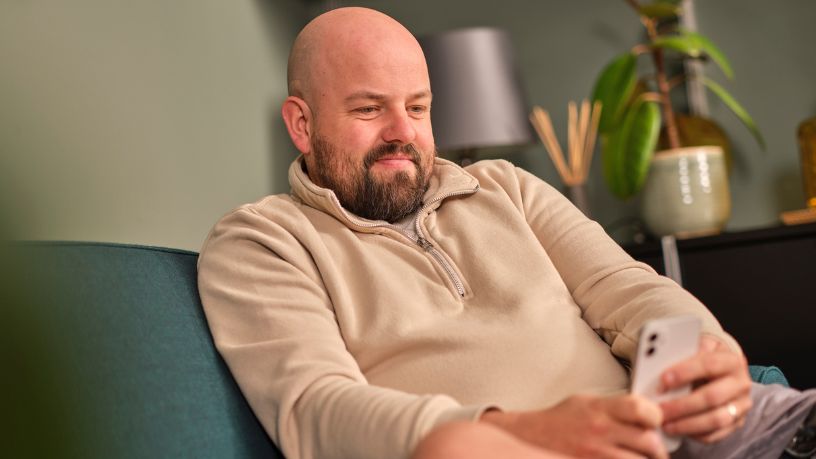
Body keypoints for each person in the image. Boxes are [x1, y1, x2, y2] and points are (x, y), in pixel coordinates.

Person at [197, 7, 816, 459]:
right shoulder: (262, 242)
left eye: (417, 107)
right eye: (367, 109)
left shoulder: (504, 186)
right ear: (302, 124)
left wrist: (705, 355)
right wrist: (526, 430)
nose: (402, 131)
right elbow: (317, 412)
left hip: (662, 430)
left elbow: (627, 288)